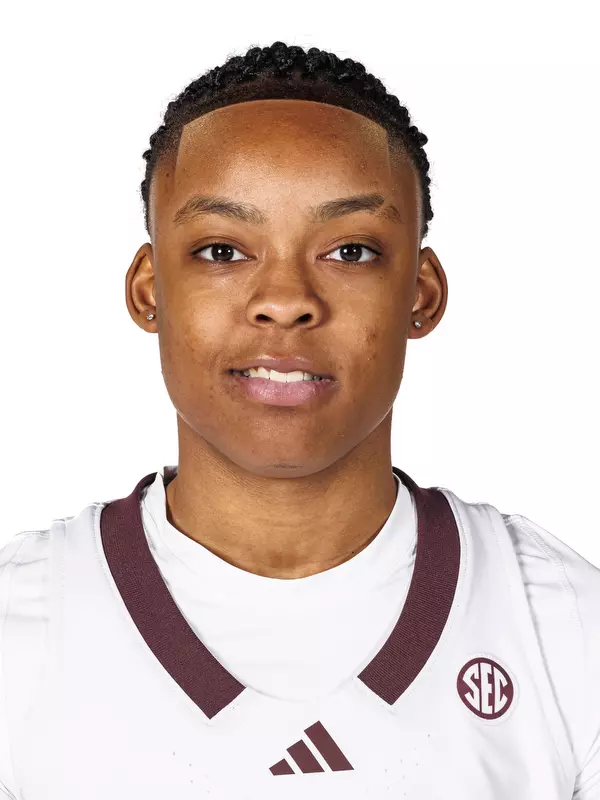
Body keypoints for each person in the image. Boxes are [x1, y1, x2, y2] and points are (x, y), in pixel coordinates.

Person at [0, 40, 598, 799]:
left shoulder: (562, 626)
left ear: (422, 292)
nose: (285, 298)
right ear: (150, 290)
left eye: (350, 250)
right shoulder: (22, 630)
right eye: (222, 249)